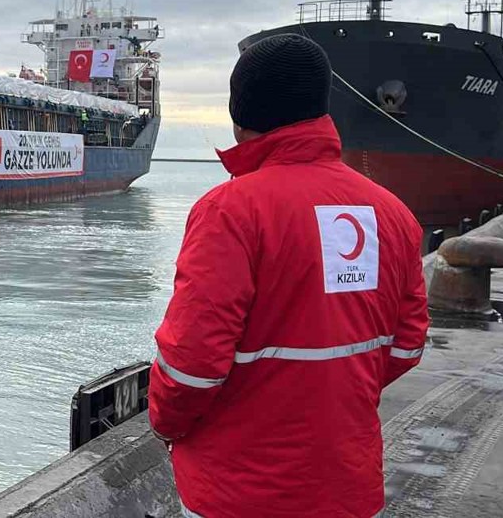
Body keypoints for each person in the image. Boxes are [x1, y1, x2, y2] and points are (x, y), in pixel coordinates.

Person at [148, 34, 428, 518]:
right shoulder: (392, 212)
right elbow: (407, 346)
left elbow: (190, 367)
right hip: (349, 488)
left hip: (238, 493)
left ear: (241, 114)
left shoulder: (230, 211)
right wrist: (333, 390)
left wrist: (166, 426)